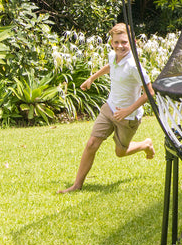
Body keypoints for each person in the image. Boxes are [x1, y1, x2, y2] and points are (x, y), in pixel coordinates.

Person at [59, 22, 154, 193]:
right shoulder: (113, 55)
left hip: (127, 117)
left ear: (132, 42)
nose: (120, 46)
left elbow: (150, 92)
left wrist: (128, 110)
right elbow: (110, 66)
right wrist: (91, 79)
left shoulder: (134, 66)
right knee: (91, 143)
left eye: (124, 42)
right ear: (111, 42)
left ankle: (146, 144)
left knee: (120, 152)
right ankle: (77, 185)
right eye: (116, 42)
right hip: (109, 108)